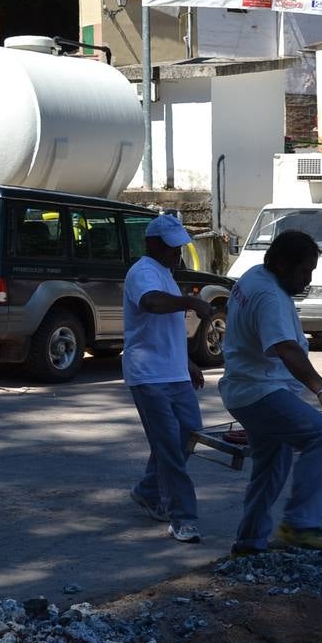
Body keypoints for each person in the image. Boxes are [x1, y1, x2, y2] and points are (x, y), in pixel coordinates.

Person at [219, 231, 322, 556]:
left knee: (271, 466)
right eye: (304, 271)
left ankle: (249, 542)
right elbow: (286, 348)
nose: (308, 279)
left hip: (243, 388)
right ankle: (300, 525)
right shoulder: (270, 297)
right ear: (281, 263)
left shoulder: (253, 277)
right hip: (261, 391)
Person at [125, 214, 215, 544]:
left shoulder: (165, 273)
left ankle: (148, 490)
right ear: (152, 244)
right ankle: (183, 518)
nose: (176, 254)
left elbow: (168, 328)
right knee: (169, 448)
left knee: (188, 433)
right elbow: (150, 304)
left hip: (174, 372)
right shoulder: (143, 272)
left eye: (178, 248)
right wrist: (190, 301)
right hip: (148, 375)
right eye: (171, 248)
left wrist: (187, 361)